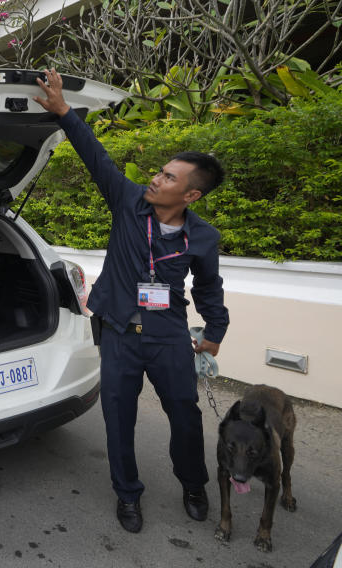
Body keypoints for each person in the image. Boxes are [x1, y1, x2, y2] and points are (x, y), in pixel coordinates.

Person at [35, 69, 229, 534]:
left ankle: (193, 483)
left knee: (184, 416)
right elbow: (96, 157)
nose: (156, 178)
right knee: (118, 421)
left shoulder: (202, 238)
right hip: (120, 331)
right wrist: (63, 111)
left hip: (167, 334)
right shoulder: (128, 202)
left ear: (191, 194)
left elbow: (207, 287)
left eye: (168, 177)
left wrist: (216, 332)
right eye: (161, 171)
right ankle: (128, 494)